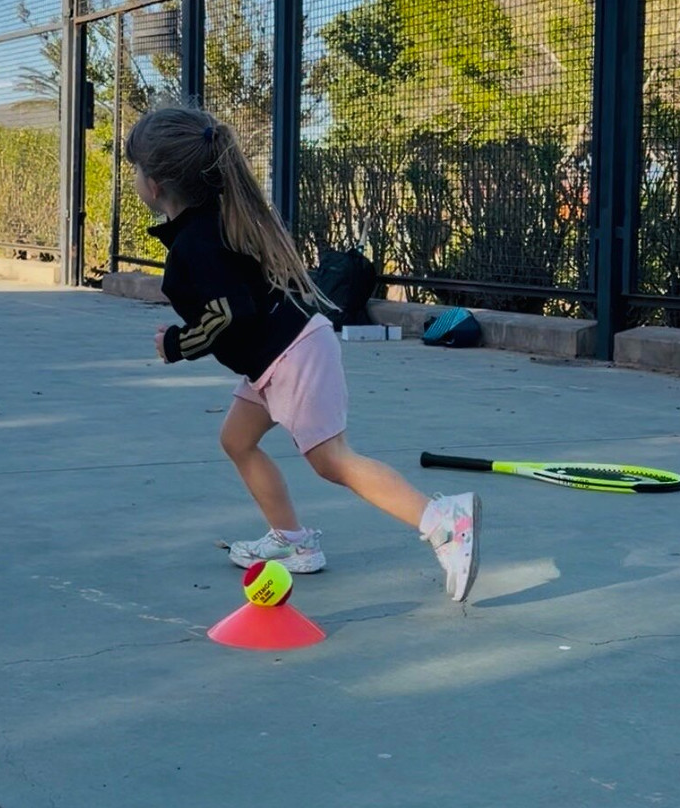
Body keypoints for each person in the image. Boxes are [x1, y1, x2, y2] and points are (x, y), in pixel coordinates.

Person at [124, 105, 481, 601]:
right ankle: (291, 540)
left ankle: (442, 522)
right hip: (274, 357)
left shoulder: (196, 243)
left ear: (156, 183)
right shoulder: (210, 221)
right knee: (237, 439)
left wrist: (175, 344)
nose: (134, 179)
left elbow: (230, 313)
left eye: (134, 170)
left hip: (291, 354)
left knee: (332, 460)